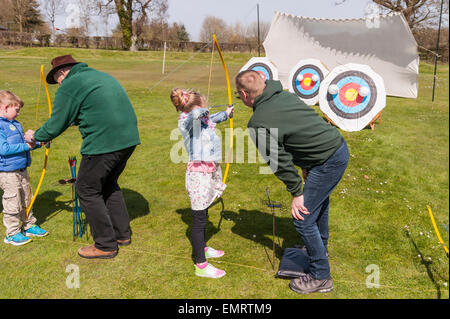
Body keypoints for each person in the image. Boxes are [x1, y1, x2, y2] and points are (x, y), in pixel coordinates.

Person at [235, 70, 349, 294]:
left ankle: (320, 276)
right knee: (318, 206)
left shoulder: (258, 122)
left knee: (303, 219)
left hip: (328, 160)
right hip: (335, 150)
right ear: (264, 82)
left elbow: (279, 161)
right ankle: (320, 249)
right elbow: (301, 131)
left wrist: (297, 193)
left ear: (243, 94)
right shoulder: (284, 95)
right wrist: (307, 165)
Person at [25, 55, 140, 259]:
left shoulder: (70, 84)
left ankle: (105, 245)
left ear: (62, 73)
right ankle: (122, 235)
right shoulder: (97, 76)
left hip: (105, 142)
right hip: (128, 138)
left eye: (57, 79)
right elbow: (96, 108)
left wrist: (37, 136)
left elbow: (56, 122)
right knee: (108, 184)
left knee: (86, 189)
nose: (58, 84)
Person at [170, 88, 233, 278]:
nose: (206, 107)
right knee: (198, 220)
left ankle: (203, 248)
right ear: (195, 107)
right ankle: (201, 265)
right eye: (203, 104)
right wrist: (201, 110)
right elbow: (194, 116)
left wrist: (226, 114)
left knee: (204, 212)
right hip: (197, 175)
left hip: (208, 170)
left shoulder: (202, 117)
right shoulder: (185, 121)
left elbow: (211, 119)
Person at [0, 90, 48, 246]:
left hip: (21, 169)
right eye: (17, 110)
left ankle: (28, 225)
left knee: (27, 198)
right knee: (13, 201)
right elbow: (4, 149)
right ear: (6, 108)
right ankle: (12, 233)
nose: (19, 113)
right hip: (8, 172)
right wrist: (26, 145)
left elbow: (24, 147)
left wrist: (39, 144)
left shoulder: (16, 125)